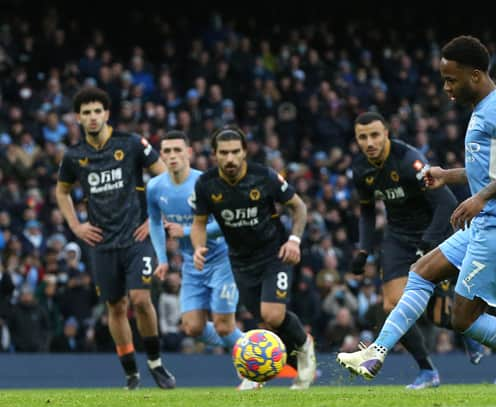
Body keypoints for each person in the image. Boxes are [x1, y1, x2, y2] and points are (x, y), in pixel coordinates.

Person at [338, 35, 496, 394]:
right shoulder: (482, 109)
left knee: (463, 319)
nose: (446, 87)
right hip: (488, 222)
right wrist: (449, 175)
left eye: (451, 79)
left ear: (475, 76)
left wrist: (480, 198)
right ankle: (376, 352)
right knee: (421, 272)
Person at [56, 87, 175, 390]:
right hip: (101, 243)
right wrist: (76, 226)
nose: (93, 117)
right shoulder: (74, 156)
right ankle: (131, 372)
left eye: (97, 111)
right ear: (78, 118)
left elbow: (163, 177)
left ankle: (156, 363)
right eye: (86, 113)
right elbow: (62, 191)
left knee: (140, 299)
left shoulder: (131, 143)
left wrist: (155, 219)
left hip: (137, 237)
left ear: (106, 114)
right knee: (116, 306)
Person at [192, 125, 316, 390]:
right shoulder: (206, 184)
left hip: (275, 254)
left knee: (272, 314)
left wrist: (294, 240)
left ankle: (305, 347)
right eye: (223, 153)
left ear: (245, 152)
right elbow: (199, 223)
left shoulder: (265, 177)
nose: (230, 159)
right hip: (240, 260)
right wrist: (198, 247)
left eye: (235, 152)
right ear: (214, 154)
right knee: (260, 319)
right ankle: (259, 372)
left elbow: (299, 207)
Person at [350, 111, 464, 389]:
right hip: (398, 237)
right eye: (362, 137)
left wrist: (428, 242)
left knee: (444, 317)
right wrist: (363, 249)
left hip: (433, 232)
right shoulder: (361, 169)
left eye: (375, 135)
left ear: (387, 133)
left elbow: (446, 204)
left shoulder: (409, 161)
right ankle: (427, 370)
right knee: (391, 305)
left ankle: (470, 332)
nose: (369, 142)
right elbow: (366, 212)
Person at [146, 130, 258, 390]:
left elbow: (225, 222)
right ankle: (250, 344)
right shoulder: (154, 187)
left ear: (189, 153)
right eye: (167, 151)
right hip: (191, 262)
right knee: (192, 327)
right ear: (161, 155)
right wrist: (162, 259)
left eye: (177, 150)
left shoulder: (206, 183)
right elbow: (154, 222)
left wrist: (184, 232)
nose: (172, 156)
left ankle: (253, 367)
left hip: (222, 259)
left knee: (222, 324)